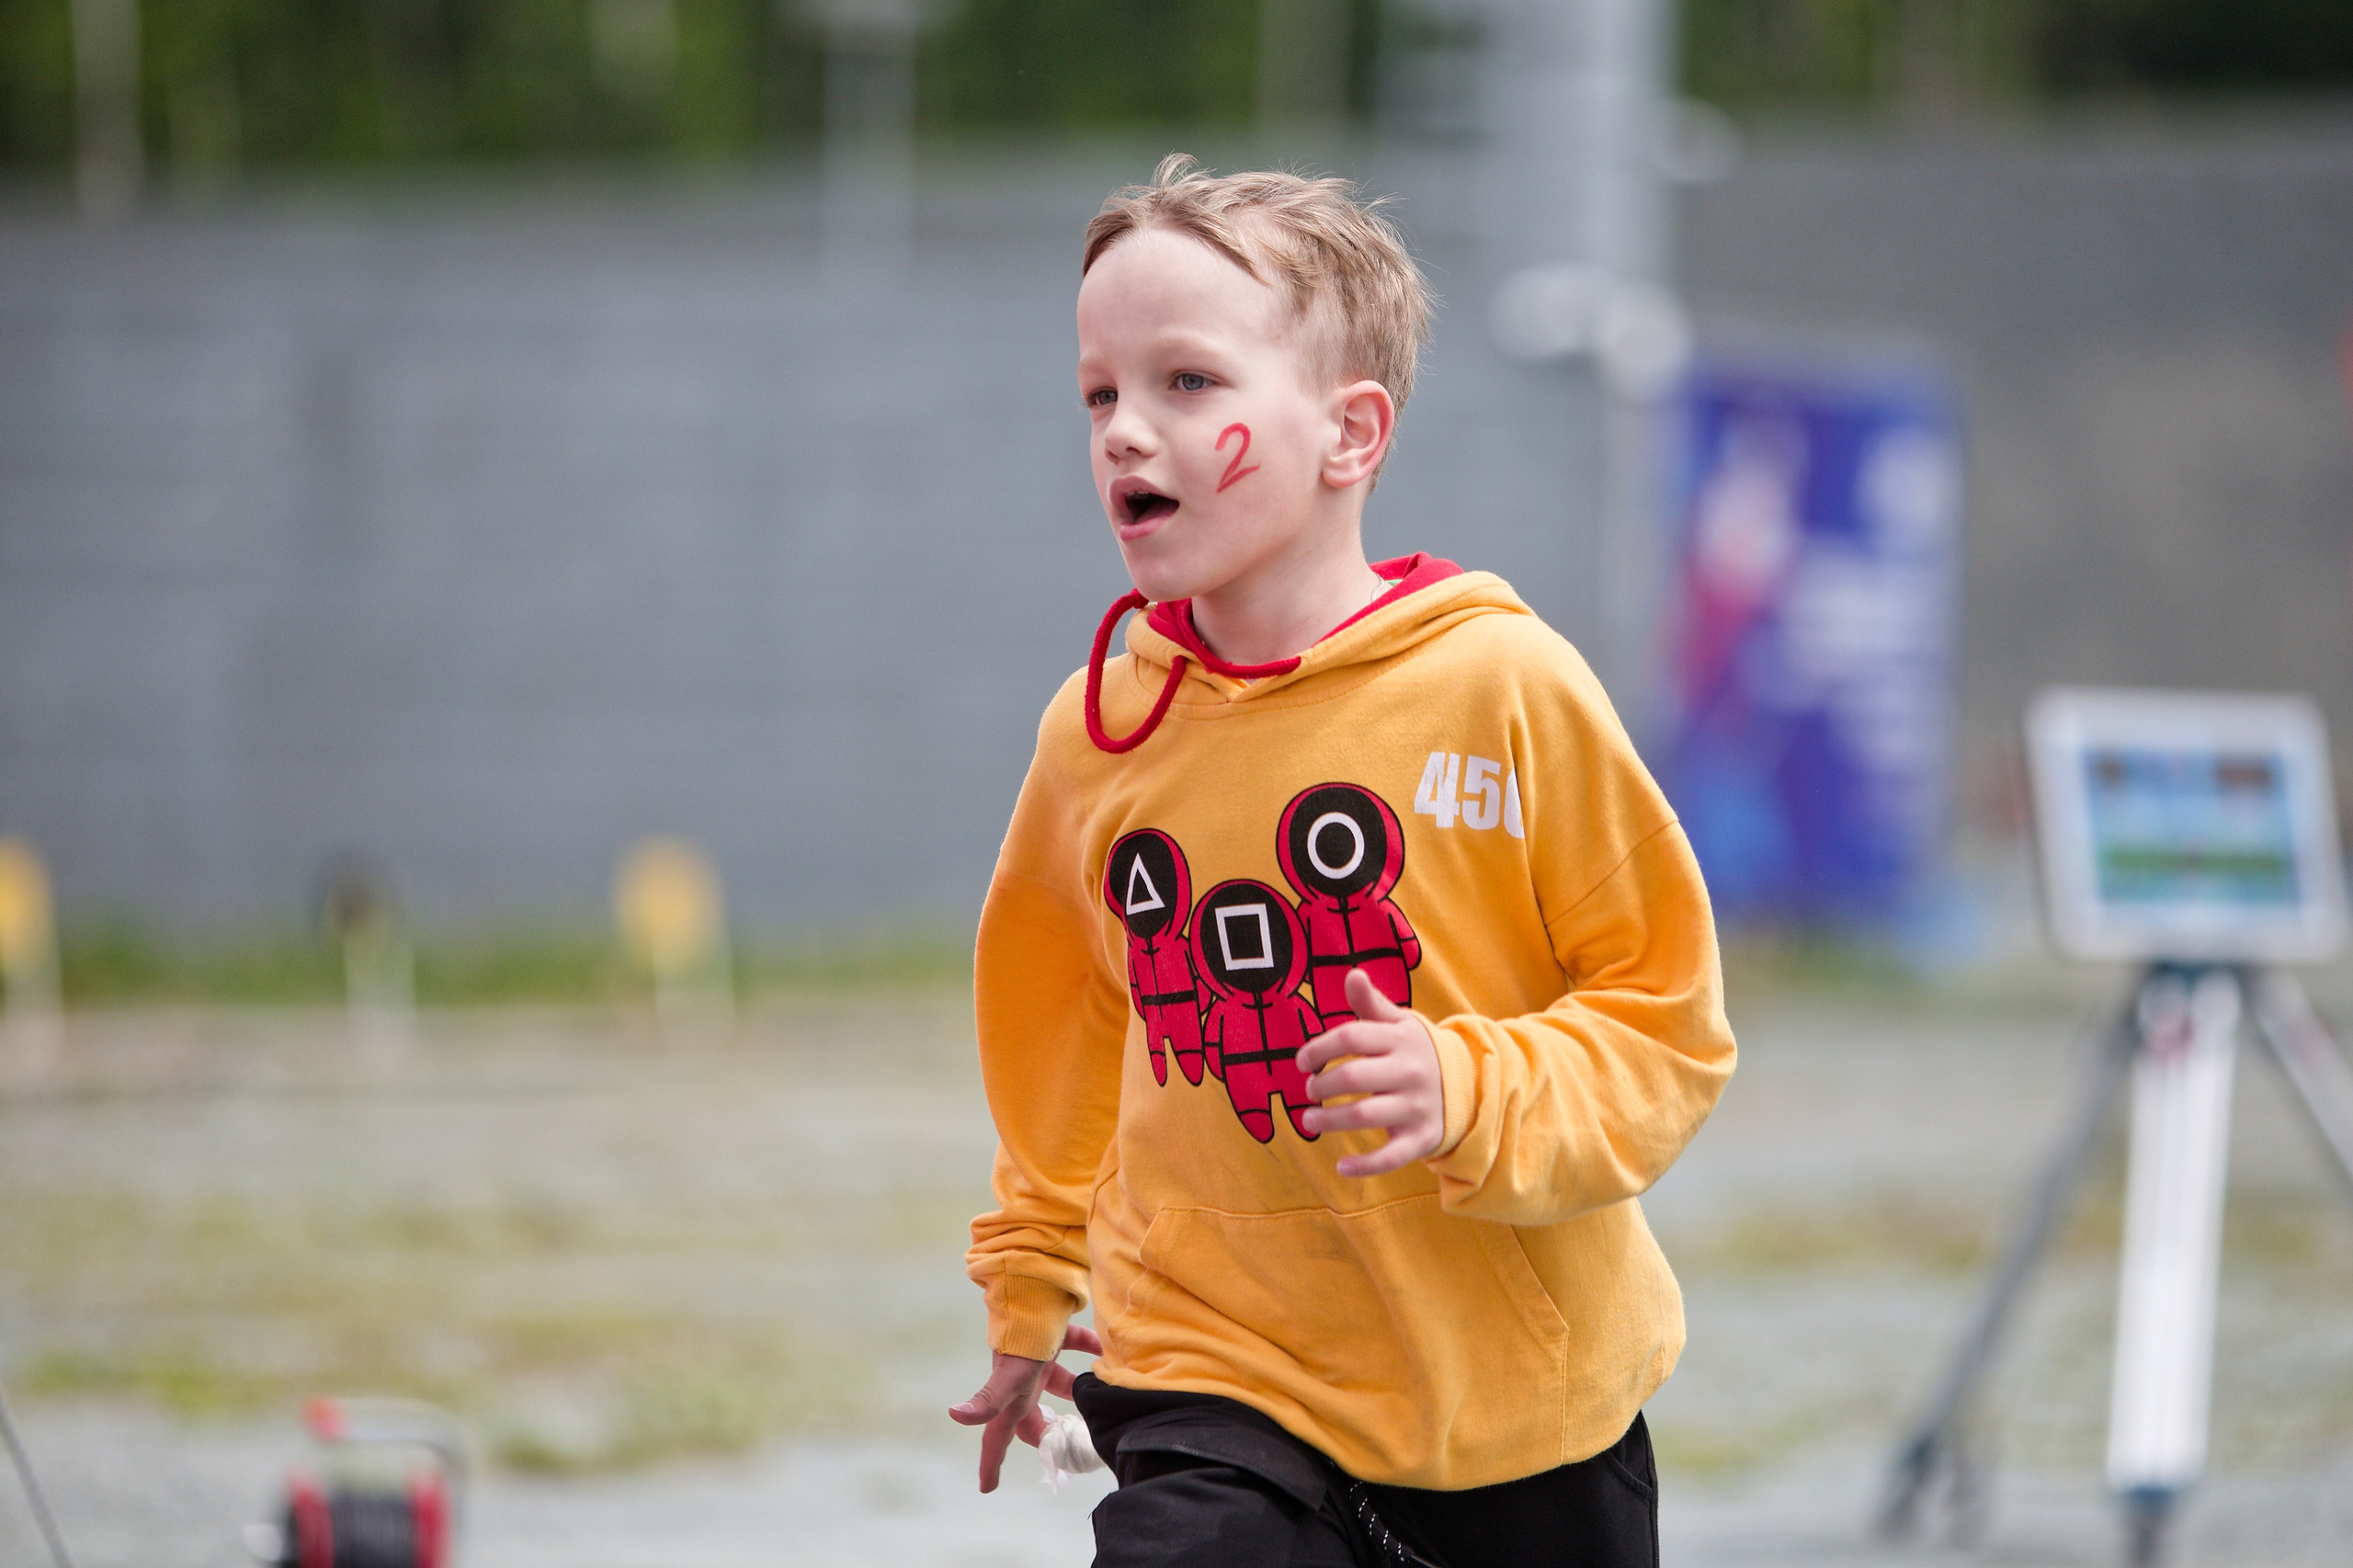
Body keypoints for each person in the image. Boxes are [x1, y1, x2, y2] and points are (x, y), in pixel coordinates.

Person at [949, 154, 1736, 1568]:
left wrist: (1470, 1083)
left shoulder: (1504, 685)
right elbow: (1056, 1034)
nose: (1127, 431)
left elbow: (1669, 1031)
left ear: (1349, 433)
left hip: (1516, 1413)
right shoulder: (1098, 735)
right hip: (1210, 1365)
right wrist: (1030, 1285)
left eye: (1187, 384)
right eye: (1100, 393)